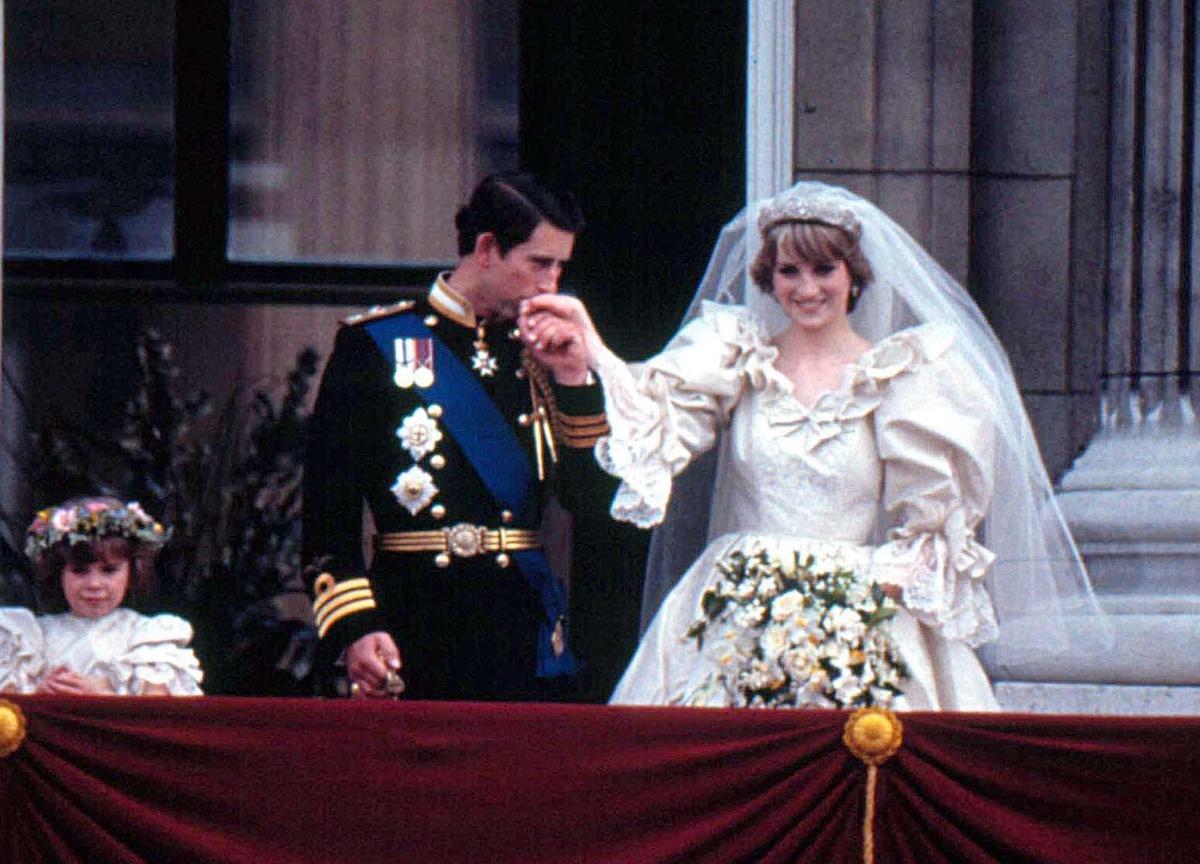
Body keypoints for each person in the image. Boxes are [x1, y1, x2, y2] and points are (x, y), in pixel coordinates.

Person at [520, 181, 1108, 710]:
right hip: (735, 608)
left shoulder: (901, 375)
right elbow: (653, 423)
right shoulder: (735, 358)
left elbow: (929, 526)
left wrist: (852, 615)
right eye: (788, 272)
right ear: (768, 279)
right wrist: (590, 354)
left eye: (823, 270)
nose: (806, 289)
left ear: (853, 275)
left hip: (860, 615)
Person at [303, 172, 612, 701]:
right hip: (412, 626)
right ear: (487, 248)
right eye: (540, 263)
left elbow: (592, 500)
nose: (552, 284)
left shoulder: (544, 350)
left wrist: (575, 381)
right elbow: (326, 520)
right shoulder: (373, 346)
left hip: (521, 633)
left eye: (561, 266)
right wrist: (356, 628)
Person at [0, 496, 203, 696]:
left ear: (132, 571)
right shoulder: (27, 639)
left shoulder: (148, 639)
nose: (94, 584)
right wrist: (40, 694)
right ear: (58, 573)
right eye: (80, 571)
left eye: (109, 570)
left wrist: (104, 696)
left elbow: (158, 716)